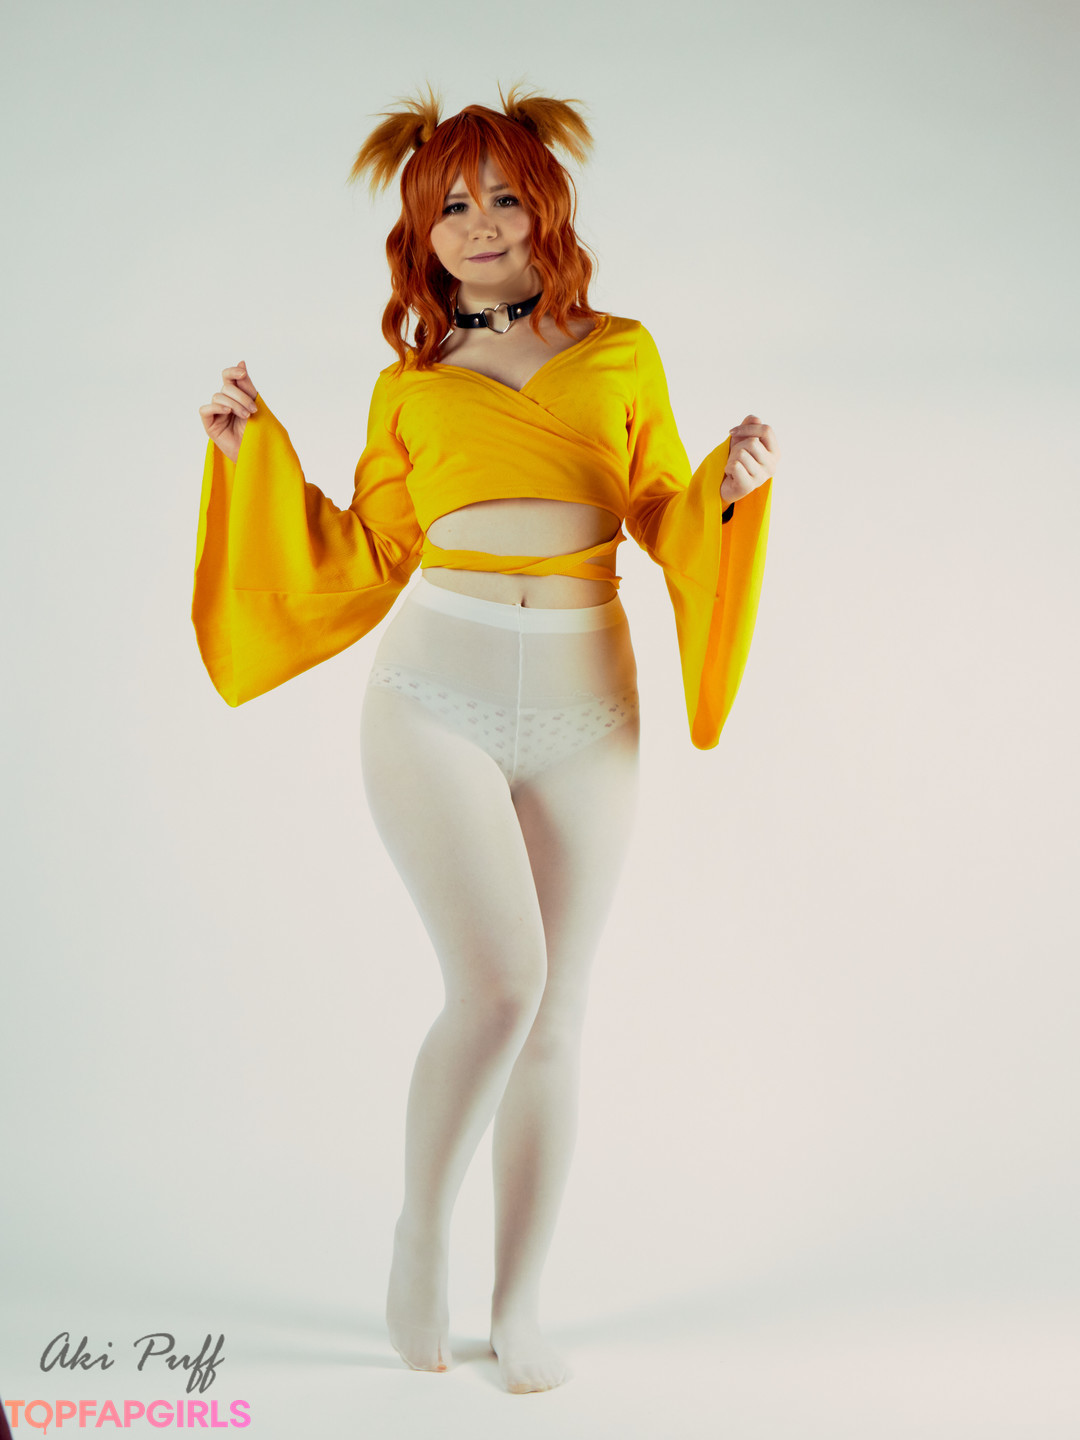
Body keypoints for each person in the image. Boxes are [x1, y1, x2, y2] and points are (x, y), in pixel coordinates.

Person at [193, 86, 778, 1395]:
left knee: (558, 1015)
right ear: (421, 233)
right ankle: (421, 1237)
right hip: (433, 699)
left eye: (505, 196)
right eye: (452, 205)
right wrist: (251, 455)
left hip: (589, 706)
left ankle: (520, 1307)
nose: (481, 222)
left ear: (547, 209)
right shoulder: (409, 388)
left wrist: (729, 491)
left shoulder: (623, 354)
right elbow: (364, 549)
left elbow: (664, 512)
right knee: (501, 987)